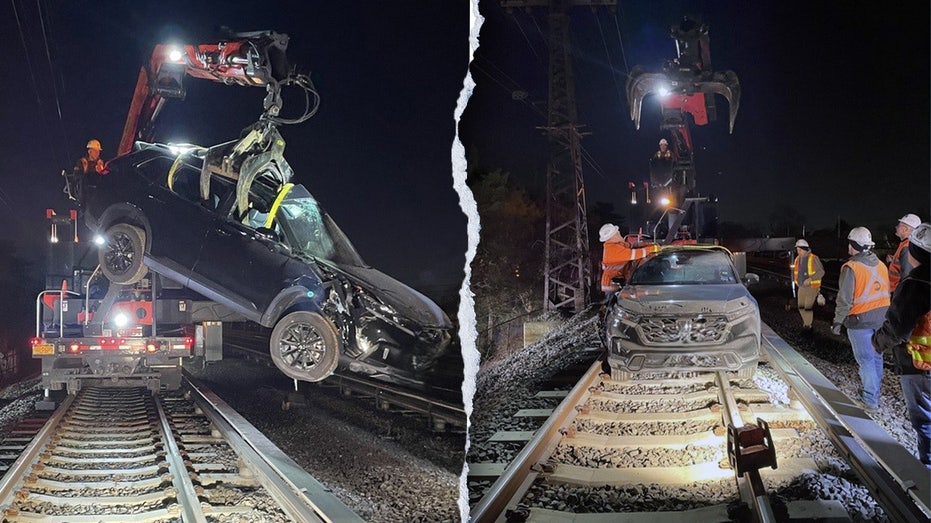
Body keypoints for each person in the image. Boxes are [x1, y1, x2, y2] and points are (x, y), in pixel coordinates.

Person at [872, 222, 931, 468]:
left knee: (925, 423)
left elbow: (897, 329)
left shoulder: (917, 283)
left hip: (921, 366)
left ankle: (927, 476)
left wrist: (877, 342)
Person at [831, 226, 890, 411]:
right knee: (876, 358)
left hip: (860, 321)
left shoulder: (851, 267)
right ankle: (874, 392)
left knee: (865, 360)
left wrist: (838, 321)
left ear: (854, 245)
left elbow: (845, 299)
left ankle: (869, 400)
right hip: (881, 319)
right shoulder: (880, 265)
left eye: (850, 243)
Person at [599, 223, 658, 296]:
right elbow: (634, 254)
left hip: (618, 282)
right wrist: (651, 249)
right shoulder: (612, 250)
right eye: (616, 232)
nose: (619, 232)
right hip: (611, 286)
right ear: (612, 237)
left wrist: (645, 244)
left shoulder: (617, 245)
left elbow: (630, 245)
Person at [792, 239, 824, 331]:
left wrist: (811, 279)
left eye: (800, 250)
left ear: (805, 249)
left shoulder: (813, 258)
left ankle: (807, 325)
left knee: (807, 307)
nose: (798, 252)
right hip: (801, 286)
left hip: (812, 287)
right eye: (797, 250)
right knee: (800, 306)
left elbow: (821, 272)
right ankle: (806, 323)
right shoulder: (797, 259)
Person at [889, 213, 921, 291]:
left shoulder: (907, 247)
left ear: (905, 229)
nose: (896, 227)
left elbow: (907, 276)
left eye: (898, 226)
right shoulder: (906, 245)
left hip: (897, 291)